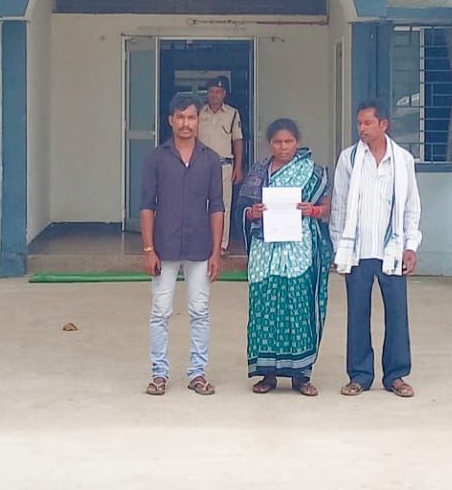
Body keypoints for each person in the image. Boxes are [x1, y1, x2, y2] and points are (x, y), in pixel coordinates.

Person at [329, 99, 422, 398]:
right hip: (357, 251)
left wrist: (410, 246)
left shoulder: (403, 160)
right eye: (359, 123)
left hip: (392, 251)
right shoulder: (349, 158)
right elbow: (339, 205)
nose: (362, 128)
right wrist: (339, 249)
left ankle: (396, 376)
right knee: (357, 314)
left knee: (397, 314)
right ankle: (359, 376)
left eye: (368, 123)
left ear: (384, 124)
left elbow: (411, 207)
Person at [239, 118, 333, 396]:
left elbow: (327, 207)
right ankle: (267, 374)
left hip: (299, 249)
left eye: (288, 141)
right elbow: (243, 209)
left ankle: (301, 376)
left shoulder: (313, 173)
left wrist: (312, 211)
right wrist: (253, 213)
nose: (283, 147)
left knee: (298, 307)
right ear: (270, 144)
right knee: (265, 307)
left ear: (298, 142)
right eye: (278, 142)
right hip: (265, 250)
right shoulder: (258, 172)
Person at [139, 93, 224, 396]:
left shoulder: (210, 160)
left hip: (200, 248)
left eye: (191, 117)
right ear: (170, 120)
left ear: (198, 121)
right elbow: (147, 206)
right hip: (164, 247)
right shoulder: (156, 158)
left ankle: (197, 373)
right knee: (160, 311)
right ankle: (159, 374)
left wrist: (216, 252)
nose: (186, 123)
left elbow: (217, 207)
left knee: (200, 311)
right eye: (180, 117)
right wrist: (148, 249)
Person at [197, 75, 244, 254]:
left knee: (223, 204)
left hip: (224, 166)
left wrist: (238, 167)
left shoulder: (232, 114)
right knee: (200, 203)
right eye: (211, 92)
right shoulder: (199, 113)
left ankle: (221, 244)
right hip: (200, 165)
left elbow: (238, 140)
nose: (214, 95)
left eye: (218, 92)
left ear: (224, 93)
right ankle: (203, 242)